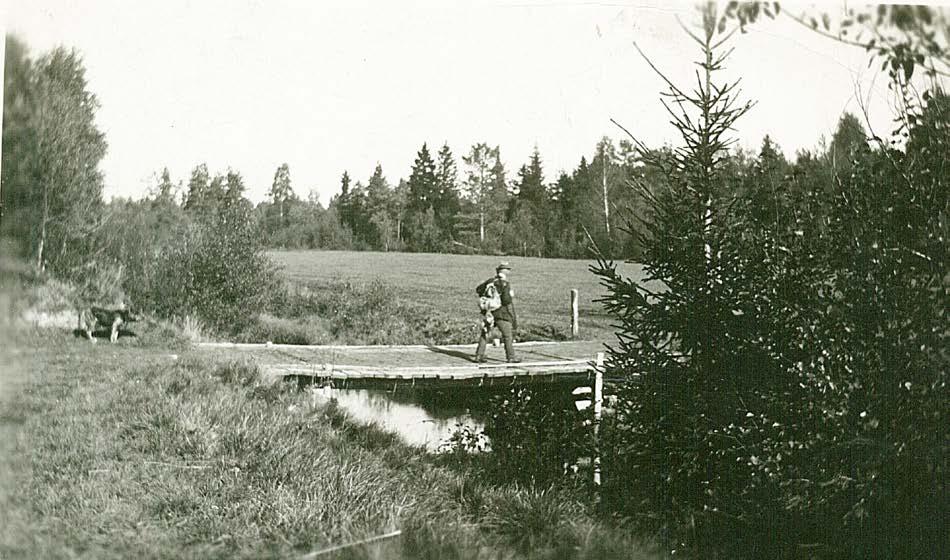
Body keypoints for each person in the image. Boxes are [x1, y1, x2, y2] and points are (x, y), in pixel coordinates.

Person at [474, 261, 521, 363]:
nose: (509, 271)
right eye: (507, 269)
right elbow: (506, 300)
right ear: (504, 271)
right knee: (507, 335)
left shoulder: (490, 281)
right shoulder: (505, 284)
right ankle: (511, 357)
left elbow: (478, 290)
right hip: (501, 313)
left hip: (489, 312)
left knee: (485, 333)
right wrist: (510, 294)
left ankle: (479, 355)